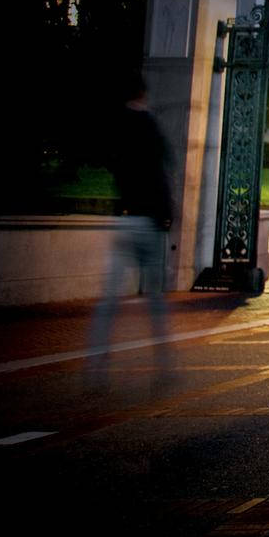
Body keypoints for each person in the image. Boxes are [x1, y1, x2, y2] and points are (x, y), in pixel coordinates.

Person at [87, 73, 174, 384]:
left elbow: (109, 161)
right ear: (143, 94)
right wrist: (167, 214)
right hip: (148, 221)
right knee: (154, 296)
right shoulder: (149, 126)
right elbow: (161, 173)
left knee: (109, 297)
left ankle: (95, 363)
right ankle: (164, 364)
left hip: (123, 218)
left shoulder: (116, 126)